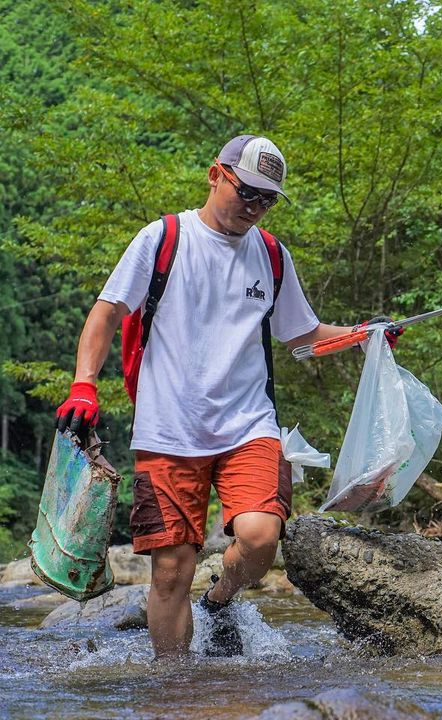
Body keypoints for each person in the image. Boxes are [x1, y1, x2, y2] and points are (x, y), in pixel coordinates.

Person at [53, 135, 401, 660]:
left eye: (267, 200)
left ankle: (219, 599)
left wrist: (361, 333)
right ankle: (177, 687)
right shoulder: (163, 237)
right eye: (248, 192)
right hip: (168, 428)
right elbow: (106, 314)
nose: (255, 208)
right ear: (216, 175)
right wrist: (84, 384)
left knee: (261, 538)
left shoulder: (271, 254)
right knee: (171, 572)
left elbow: (302, 334)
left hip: (248, 425)